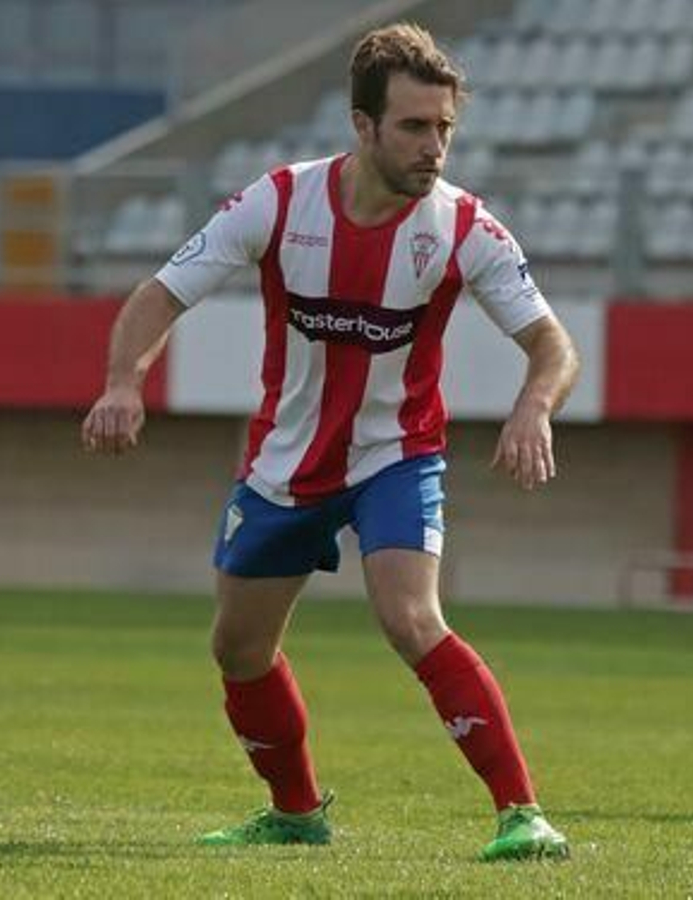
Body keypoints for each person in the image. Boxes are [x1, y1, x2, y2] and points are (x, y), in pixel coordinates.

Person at [80, 22, 578, 860]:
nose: (434, 148)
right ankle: (298, 813)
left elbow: (553, 345)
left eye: (445, 129)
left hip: (397, 455)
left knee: (411, 617)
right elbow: (160, 295)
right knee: (237, 649)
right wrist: (125, 379)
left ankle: (521, 813)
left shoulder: (464, 229)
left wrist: (536, 403)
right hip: (286, 463)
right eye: (415, 128)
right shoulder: (278, 202)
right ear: (363, 125)